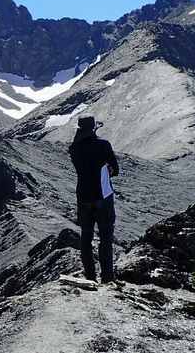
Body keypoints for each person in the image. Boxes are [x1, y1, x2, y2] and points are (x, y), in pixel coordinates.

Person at [68, 115, 120, 283]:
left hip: (83, 197)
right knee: (105, 237)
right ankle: (107, 277)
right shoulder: (103, 145)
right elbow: (115, 169)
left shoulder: (74, 148)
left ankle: (90, 276)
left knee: (86, 237)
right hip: (102, 195)